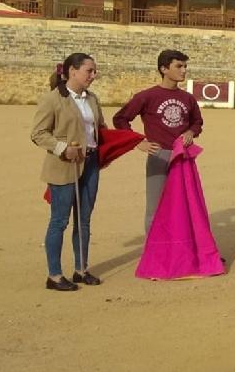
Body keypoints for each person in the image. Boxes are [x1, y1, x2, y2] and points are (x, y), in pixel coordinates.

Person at [31, 53, 106, 291]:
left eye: (94, 71)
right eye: (89, 71)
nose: (93, 76)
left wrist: (106, 150)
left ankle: (81, 269)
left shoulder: (92, 98)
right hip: (63, 166)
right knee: (60, 221)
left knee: (83, 220)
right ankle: (54, 275)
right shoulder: (53, 99)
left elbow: (99, 128)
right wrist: (63, 148)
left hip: (91, 163)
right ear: (72, 71)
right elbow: (38, 133)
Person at [113, 49, 203, 233]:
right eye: (179, 66)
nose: (184, 70)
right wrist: (137, 142)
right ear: (164, 69)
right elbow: (120, 119)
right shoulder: (147, 96)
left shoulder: (188, 98)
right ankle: (153, 252)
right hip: (158, 155)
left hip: (182, 156)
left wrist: (191, 132)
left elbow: (197, 122)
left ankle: (180, 249)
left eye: (185, 66)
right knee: (155, 207)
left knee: (184, 206)